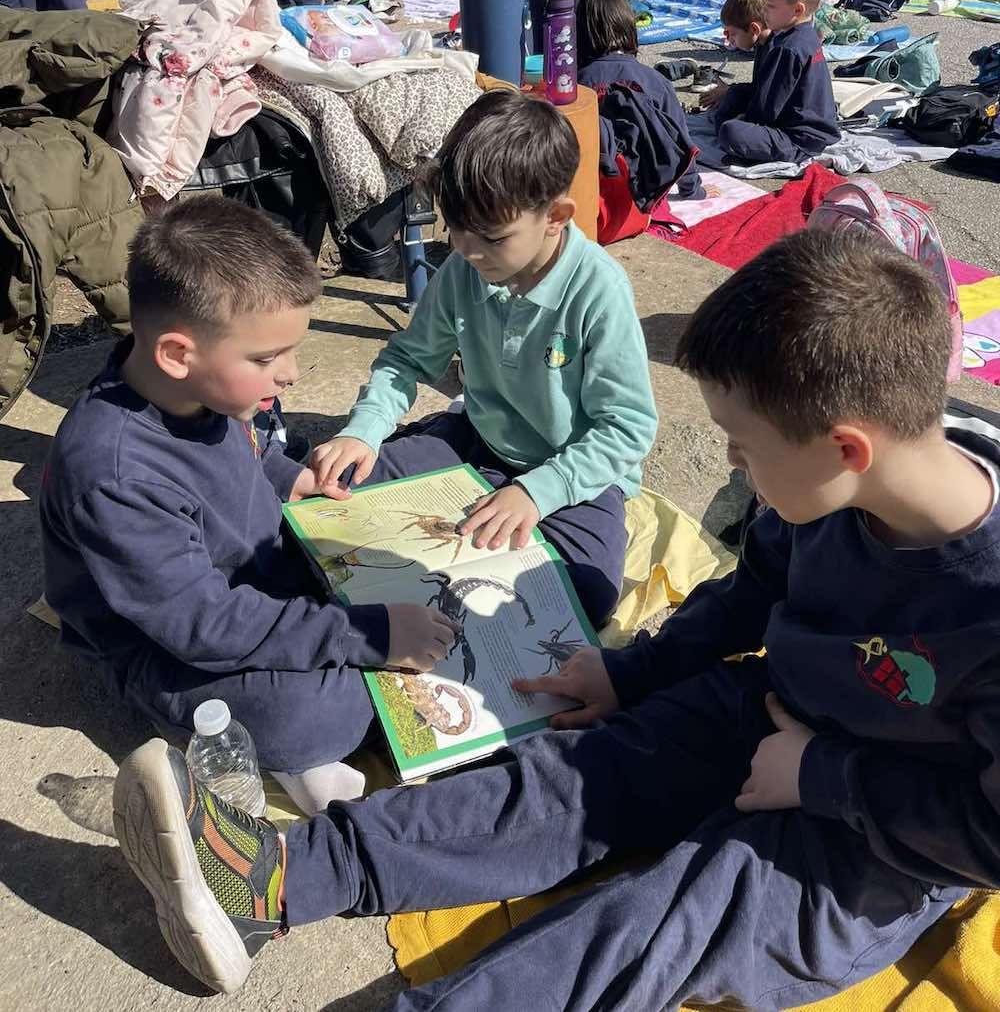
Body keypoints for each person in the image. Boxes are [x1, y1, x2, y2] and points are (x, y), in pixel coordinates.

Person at [114, 227, 1000, 1006]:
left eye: (743, 447)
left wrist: (822, 776)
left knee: (670, 919)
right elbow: (750, 593)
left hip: (893, 834)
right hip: (771, 711)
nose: (734, 467)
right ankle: (276, 879)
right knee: (571, 780)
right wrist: (630, 672)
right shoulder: (827, 490)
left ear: (846, 449)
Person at [41, 197, 459, 816]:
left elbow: (251, 452)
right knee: (318, 714)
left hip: (258, 577)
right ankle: (282, 755)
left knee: (416, 499)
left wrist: (291, 478)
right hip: (172, 648)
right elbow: (202, 626)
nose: (290, 374)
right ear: (177, 354)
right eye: (266, 359)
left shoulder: (208, 390)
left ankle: (317, 716)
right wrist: (367, 635)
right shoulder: (116, 473)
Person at [311, 90, 658, 628]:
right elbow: (408, 359)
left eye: (492, 237)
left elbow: (627, 428)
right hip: (478, 439)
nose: (468, 250)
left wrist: (537, 492)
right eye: (456, 230)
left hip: (572, 473)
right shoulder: (464, 270)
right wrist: (364, 430)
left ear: (555, 217)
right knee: (337, 492)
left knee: (584, 595)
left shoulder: (598, 290)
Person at [707, 0, 839, 165]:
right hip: (800, 122)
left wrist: (745, 120)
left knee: (730, 131)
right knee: (735, 94)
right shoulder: (799, 35)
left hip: (800, 138)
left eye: (770, 6)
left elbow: (766, 110)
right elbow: (766, 90)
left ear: (797, 10)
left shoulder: (787, 48)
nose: (764, 12)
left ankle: (758, 147)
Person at [577, 0, 703, 200]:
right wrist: (692, 190)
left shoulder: (574, 84)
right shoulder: (656, 82)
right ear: (629, 26)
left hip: (588, 194)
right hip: (642, 196)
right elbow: (681, 144)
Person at [699, 0, 772, 114]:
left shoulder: (775, 52)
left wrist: (729, 92)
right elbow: (758, 87)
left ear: (754, 29)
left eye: (732, 34)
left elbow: (765, 98)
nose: (729, 39)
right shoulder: (763, 45)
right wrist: (728, 90)